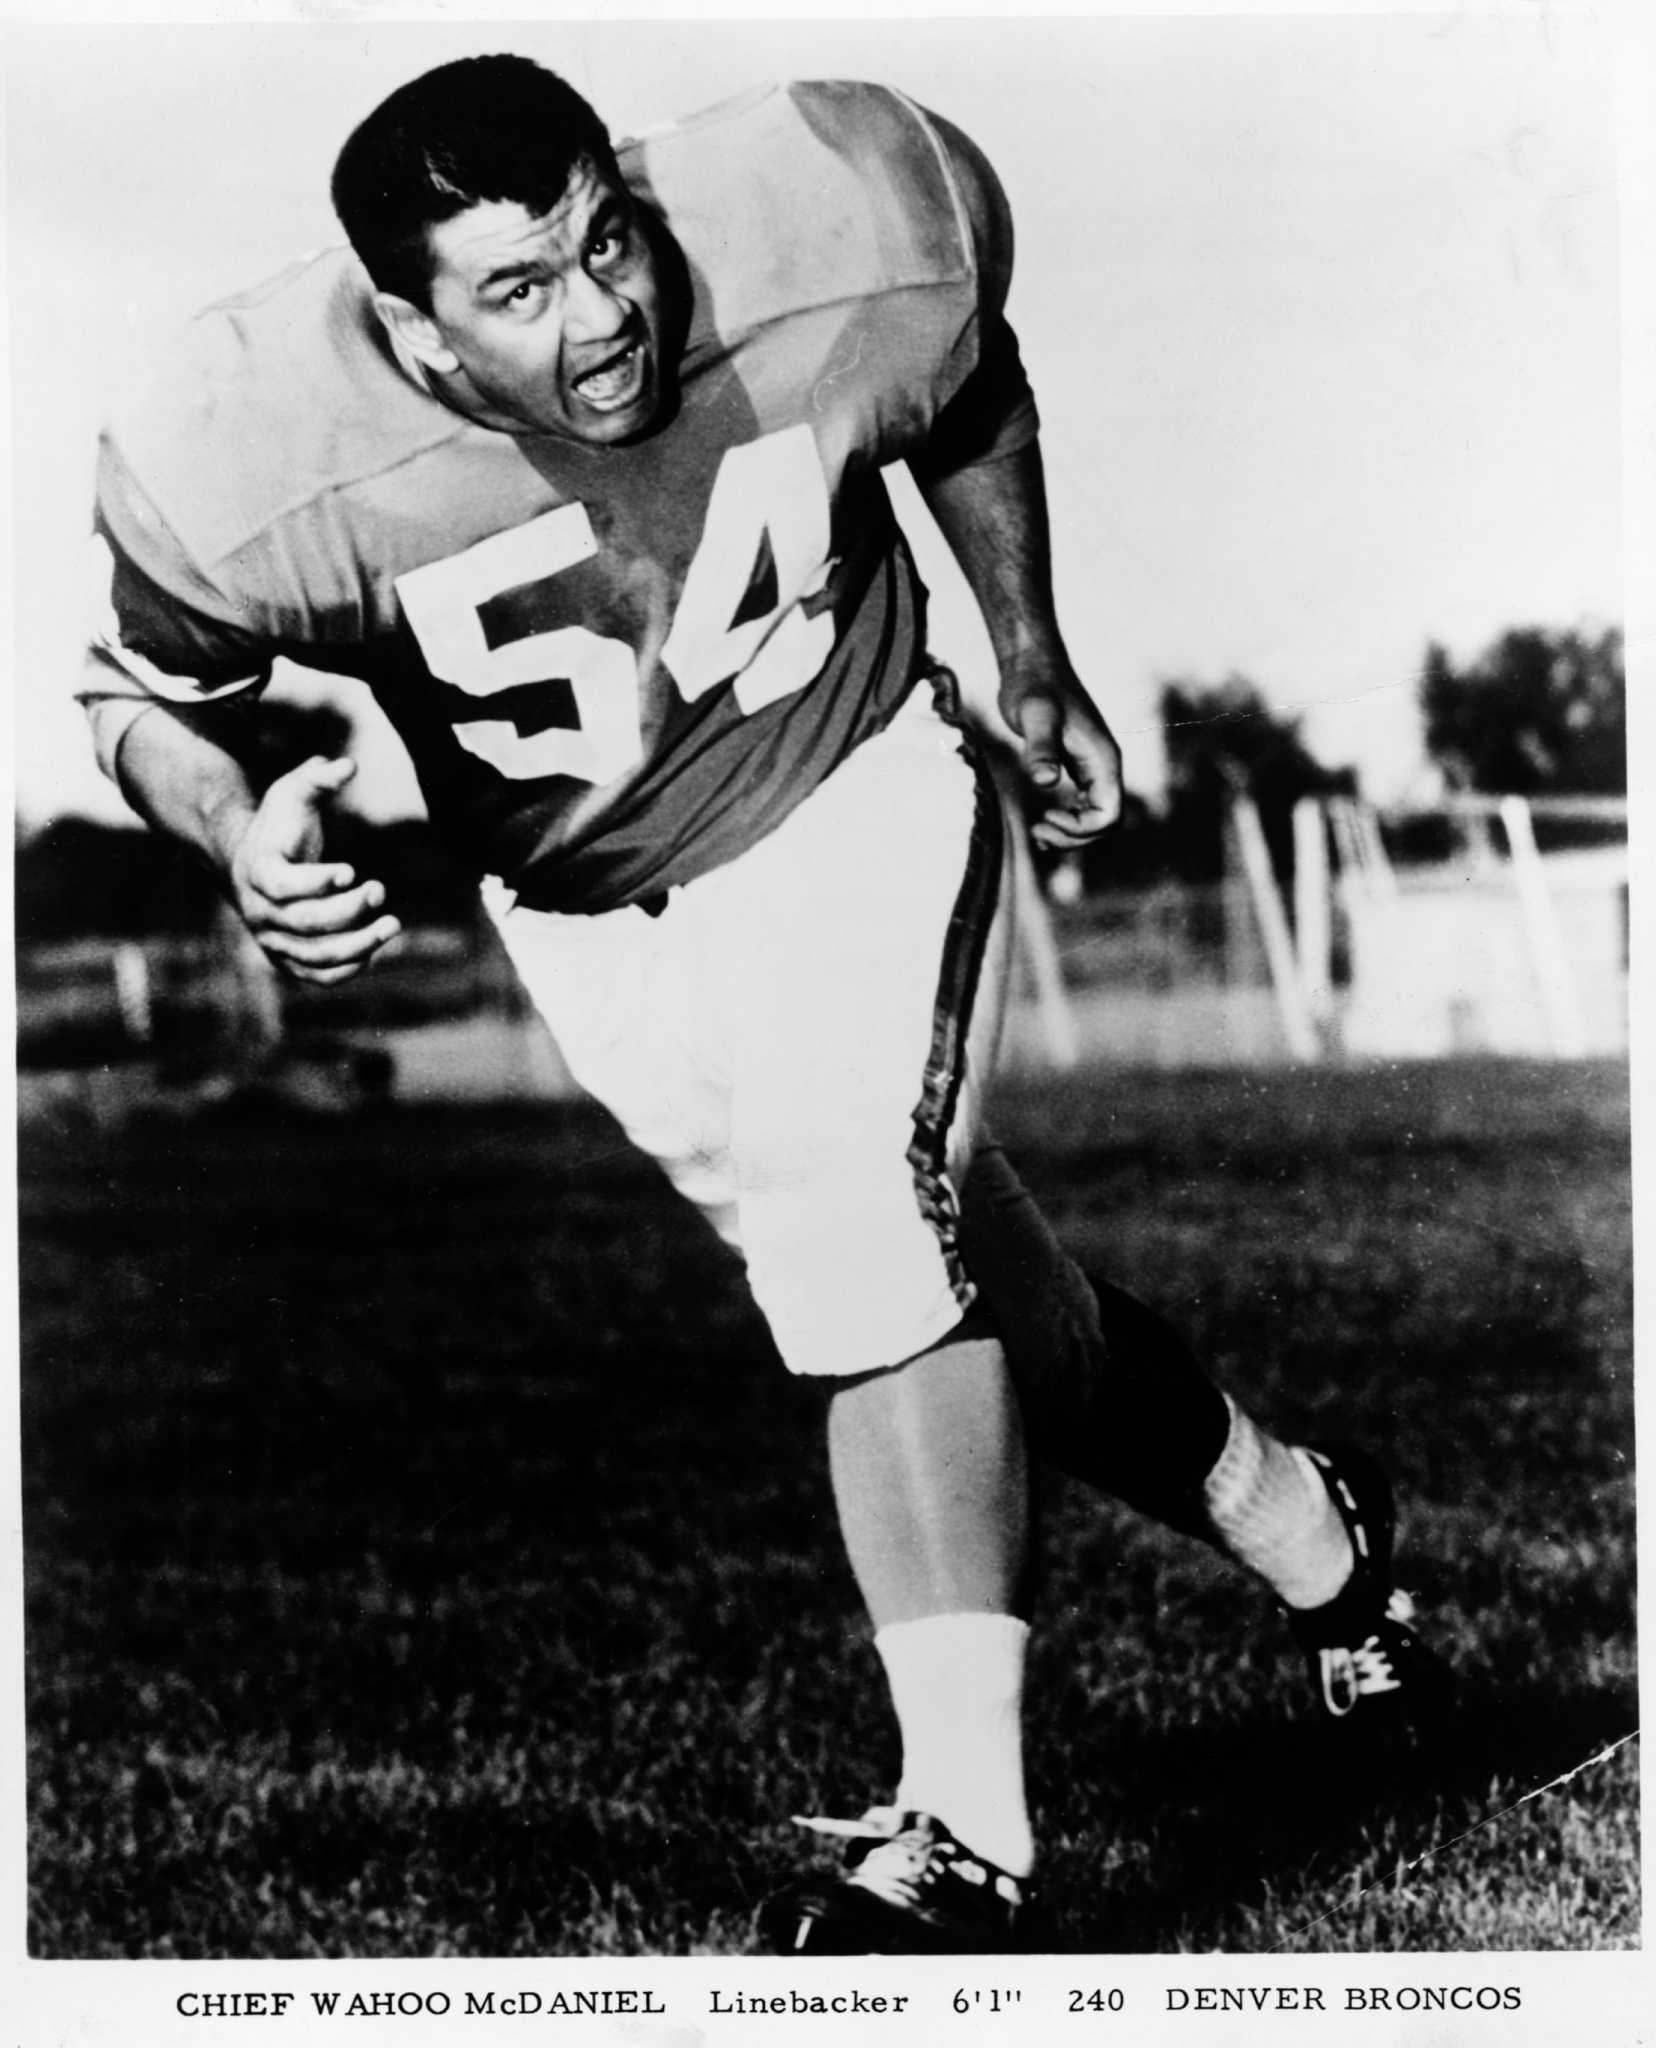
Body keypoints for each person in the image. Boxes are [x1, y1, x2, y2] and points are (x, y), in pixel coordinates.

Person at [77, 54, 1439, 1955]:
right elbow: (142, 698)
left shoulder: (819, 222)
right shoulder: (264, 450)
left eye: (605, 241)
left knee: (852, 1228)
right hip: (593, 905)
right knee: (968, 1302)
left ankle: (966, 1835)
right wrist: (233, 831)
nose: (608, 310)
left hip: (852, 773)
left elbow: (956, 382)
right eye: (523, 290)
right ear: (412, 325)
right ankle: (1310, 1529)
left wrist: (1029, 651)